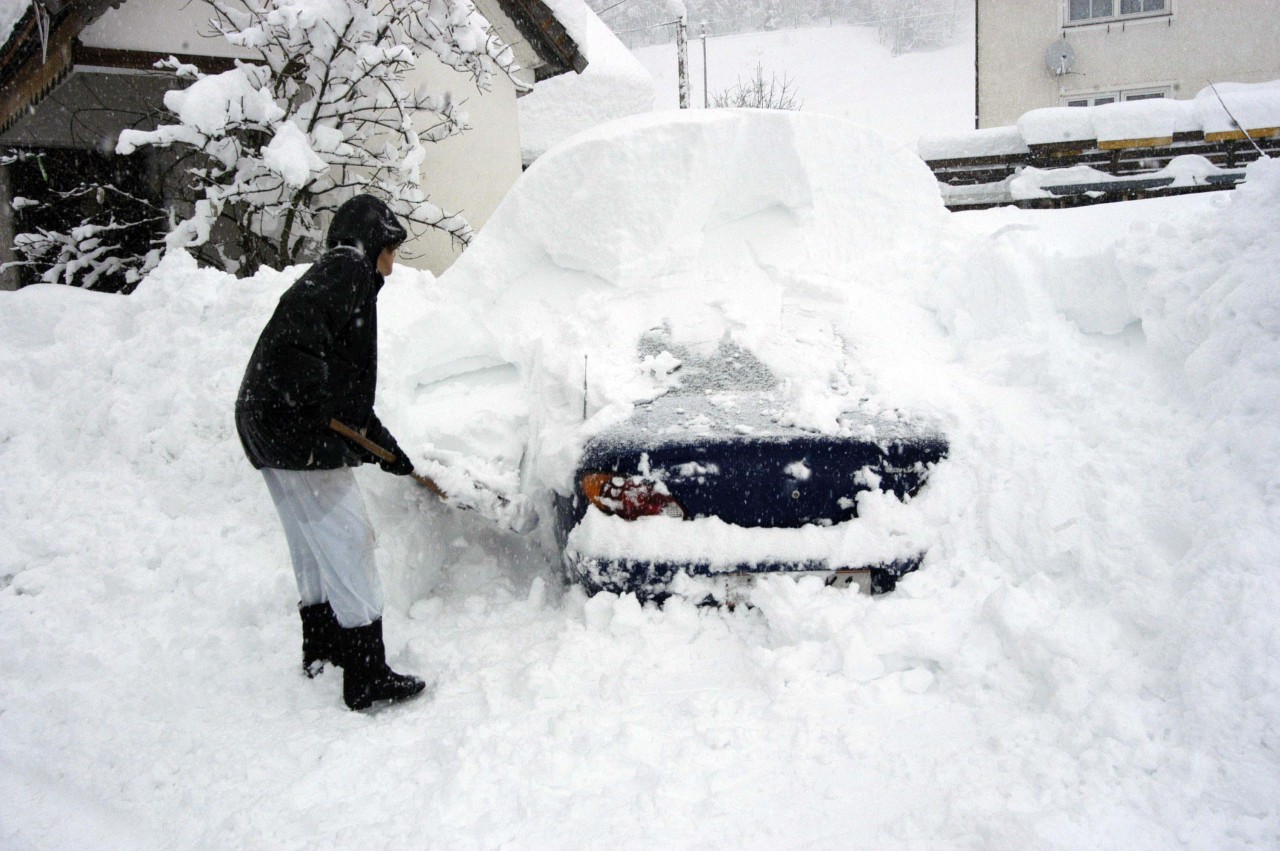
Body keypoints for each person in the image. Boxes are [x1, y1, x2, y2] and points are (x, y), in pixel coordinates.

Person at [235, 194, 426, 711]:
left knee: (311, 541)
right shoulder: (350, 272)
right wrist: (316, 402)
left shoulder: (336, 274)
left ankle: (322, 646)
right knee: (348, 541)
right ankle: (366, 676)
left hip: (265, 419)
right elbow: (311, 357)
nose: (394, 260)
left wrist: (388, 452)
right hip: (297, 428)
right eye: (391, 247)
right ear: (373, 241)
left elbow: (346, 395)